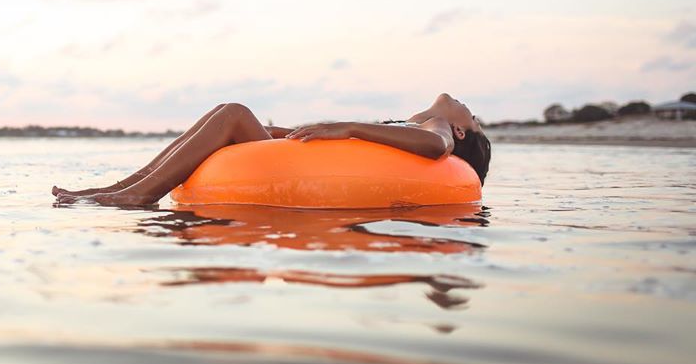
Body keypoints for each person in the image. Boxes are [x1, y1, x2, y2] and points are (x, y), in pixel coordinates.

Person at [52, 93, 491, 208]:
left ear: (460, 130)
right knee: (227, 112)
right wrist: (284, 132)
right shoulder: (406, 126)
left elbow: (436, 147)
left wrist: (348, 126)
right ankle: (124, 187)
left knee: (233, 112)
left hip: (313, 178)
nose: (466, 106)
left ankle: (138, 194)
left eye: (472, 116)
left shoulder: (437, 128)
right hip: (302, 162)